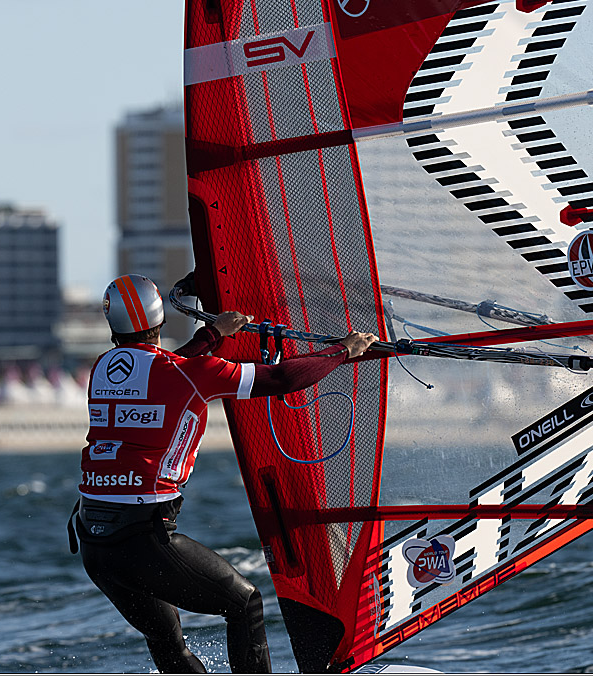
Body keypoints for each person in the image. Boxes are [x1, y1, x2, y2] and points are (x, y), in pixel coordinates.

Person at [70, 273, 376, 674]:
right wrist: (342, 351)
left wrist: (213, 333)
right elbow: (283, 379)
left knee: (167, 641)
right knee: (244, 604)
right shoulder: (189, 374)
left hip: (94, 543)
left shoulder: (105, 368)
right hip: (143, 539)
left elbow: (167, 367)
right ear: (161, 322)